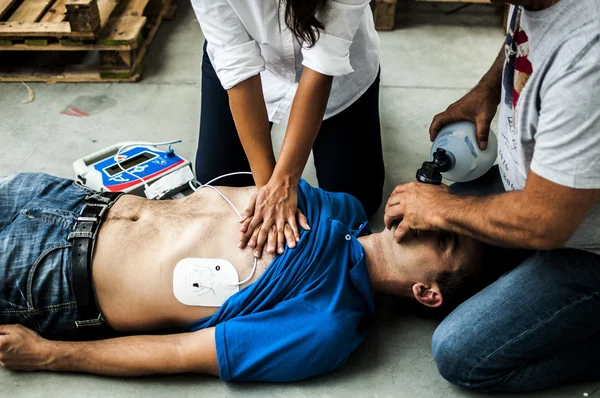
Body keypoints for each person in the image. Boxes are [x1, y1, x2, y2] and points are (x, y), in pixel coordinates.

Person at [0, 173, 481, 381]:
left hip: (50, 276)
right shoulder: (344, 207)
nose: (433, 219)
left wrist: (49, 356)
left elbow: (182, 353)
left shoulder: (328, 324)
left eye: (446, 239)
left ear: (427, 292)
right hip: (61, 197)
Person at [384, 0, 600, 392]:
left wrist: (443, 208)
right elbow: (526, 36)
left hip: (583, 244)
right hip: (540, 190)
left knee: (461, 353)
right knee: (456, 208)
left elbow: (545, 222)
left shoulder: (589, 60)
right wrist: (487, 89)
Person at [191, 0, 384, 259]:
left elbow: (322, 63)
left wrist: (285, 182)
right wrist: (266, 189)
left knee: (358, 202)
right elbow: (236, 61)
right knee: (219, 187)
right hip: (245, 55)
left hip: (337, 71)